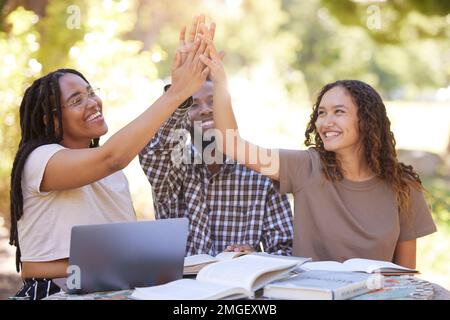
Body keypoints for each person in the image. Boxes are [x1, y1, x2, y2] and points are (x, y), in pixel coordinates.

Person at [9, 23, 210, 299]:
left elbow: (120, 254)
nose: (92, 102)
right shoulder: (39, 160)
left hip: (111, 289)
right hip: (54, 292)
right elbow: (113, 157)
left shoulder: (111, 175)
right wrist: (175, 93)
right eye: (77, 100)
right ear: (51, 119)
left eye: (91, 92)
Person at [200, 36, 437, 268]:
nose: (325, 122)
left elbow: (405, 274)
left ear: (367, 121)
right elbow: (233, 146)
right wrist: (220, 83)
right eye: (321, 113)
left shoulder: (402, 186)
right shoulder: (306, 167)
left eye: (338, 112)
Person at [139, 22, 293, 257]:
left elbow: (287, 248)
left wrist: (256, 257)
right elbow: (154, 152)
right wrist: (179, 93)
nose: (205, 110)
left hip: (238, 287)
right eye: (193, 104)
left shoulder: (260, 174)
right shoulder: (172, 167)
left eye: (213, 101)